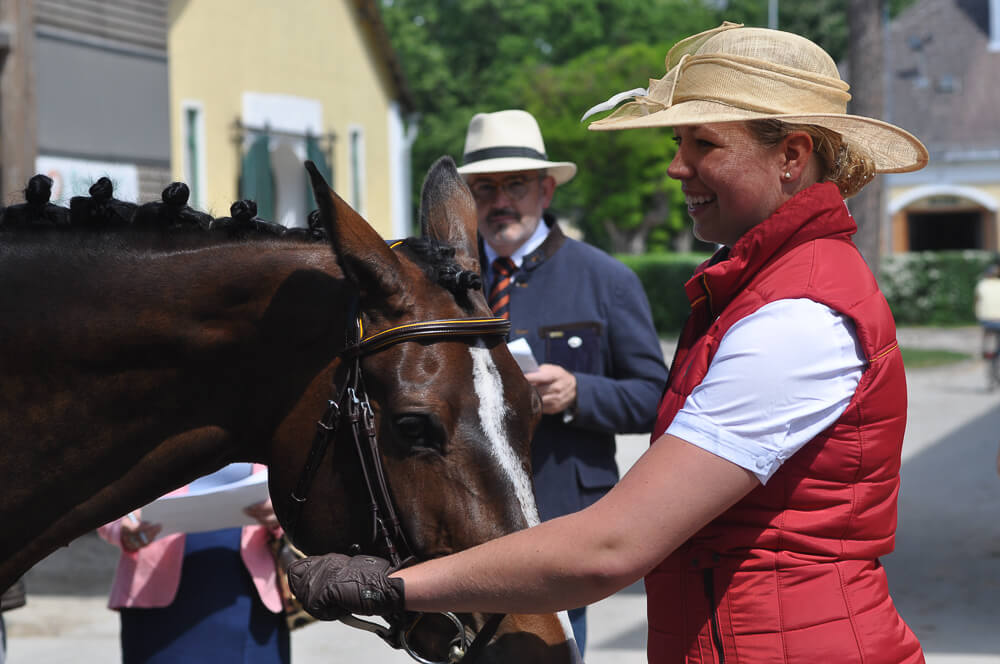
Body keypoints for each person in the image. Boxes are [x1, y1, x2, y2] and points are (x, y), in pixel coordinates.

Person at [285, 22, 930, 664]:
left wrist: (392, 586)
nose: (677, 166)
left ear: (791, 157)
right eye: (679, 141)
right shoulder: (765, 289)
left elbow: (612, 547)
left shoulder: (798, 315)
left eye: (703, 142)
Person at [454, 108, 669, 652]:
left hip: (562, 516)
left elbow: (656, 399)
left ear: (546, 189)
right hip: (462, 514)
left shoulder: (606, 280)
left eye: (516, 185)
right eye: (484, 187)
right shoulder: (444, 286)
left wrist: (579, 393)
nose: (500, 201)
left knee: (550, 653)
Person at [99, 463, 289, 664]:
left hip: (251, 595)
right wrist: (121, 527)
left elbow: (309, 496)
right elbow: (102, 495)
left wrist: (284, 512)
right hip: (154, 594)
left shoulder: (270, 432)